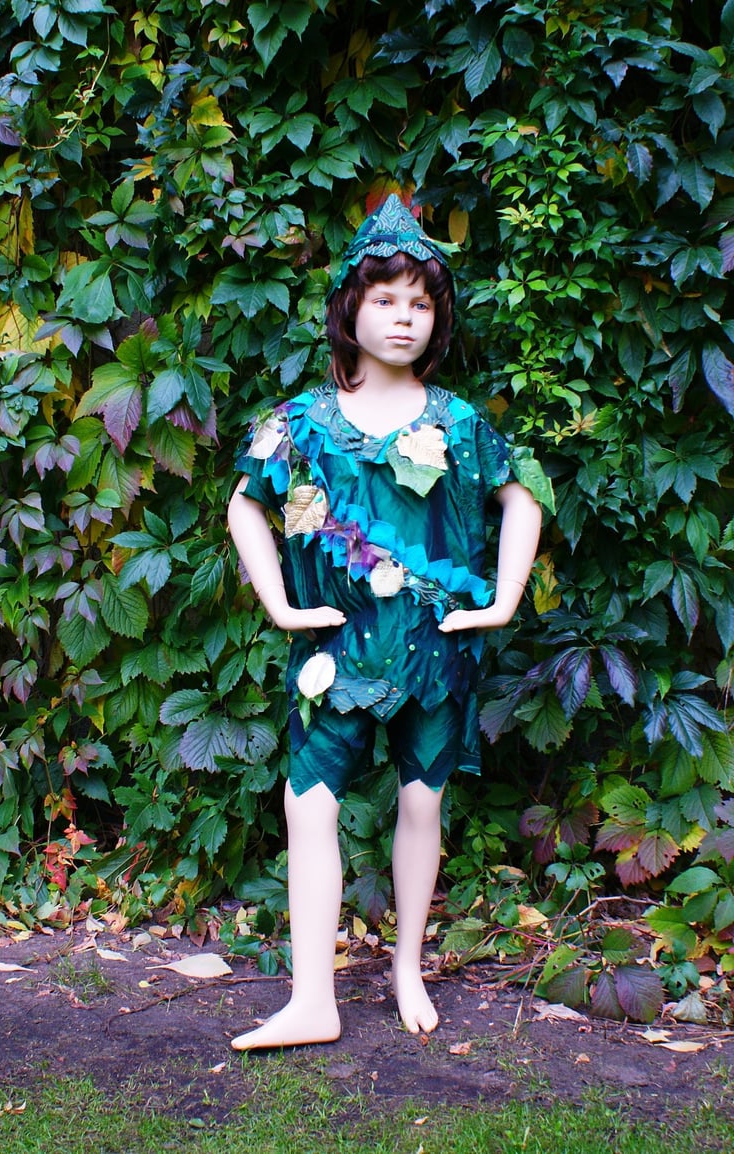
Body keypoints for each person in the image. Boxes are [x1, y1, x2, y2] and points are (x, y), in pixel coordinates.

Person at [227, 193, 553, 1050]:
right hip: (334, 650)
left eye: (421, 303)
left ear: (437, 318)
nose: (404, 317)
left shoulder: (460, 423)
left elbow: (523, 496)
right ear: (351, 306)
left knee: (421, 803)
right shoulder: (302, 424)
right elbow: (246, 505)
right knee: (308, 806)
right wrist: (280, 603)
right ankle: (312, 998)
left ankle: (408, 965)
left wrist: (502, 600)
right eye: (385, 299)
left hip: (432, 655)